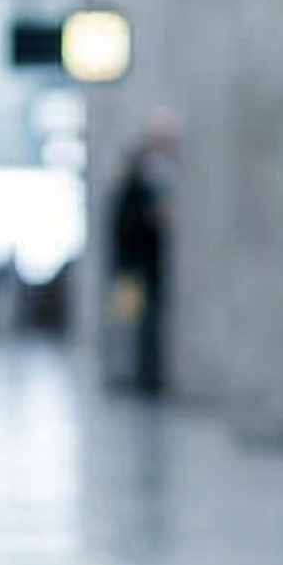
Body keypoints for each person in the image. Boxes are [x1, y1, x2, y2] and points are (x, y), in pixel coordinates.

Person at [107, 113, 178, 395]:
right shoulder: (134, 185)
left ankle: (146, 377)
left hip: (146, 269)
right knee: (128, 324)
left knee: (146, 325)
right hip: (131, 269)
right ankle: (128, 377)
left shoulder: (154, 180)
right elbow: (124, 226)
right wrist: (152, 218)